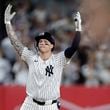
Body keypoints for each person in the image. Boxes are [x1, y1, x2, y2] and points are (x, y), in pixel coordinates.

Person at [4, 4, 82, 110]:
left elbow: (74, 47)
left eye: (46, 42)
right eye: (40, 41)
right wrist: (8, 23)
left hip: (50, 106)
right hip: (30, 104)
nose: (42, 43)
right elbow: (15, 42)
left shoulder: (59, 59)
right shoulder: (31, 57)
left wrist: (78, 28)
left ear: (52, 46)